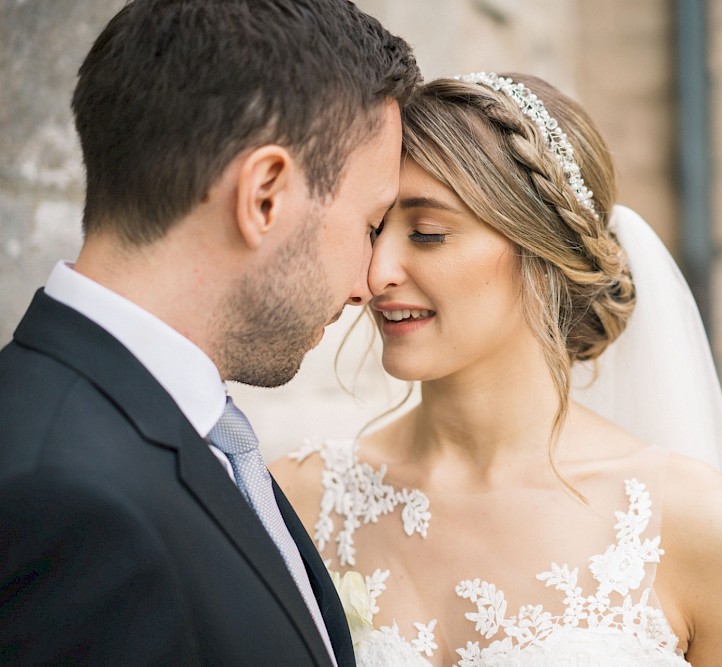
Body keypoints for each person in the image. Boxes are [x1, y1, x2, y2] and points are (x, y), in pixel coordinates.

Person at [272, 73, 722, 666]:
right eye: (373, 230)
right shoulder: (299, 500)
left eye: (428, 233)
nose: (375, 273)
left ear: (542, 251)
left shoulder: (704, 528)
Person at [0, 1, 420, 665]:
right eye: (370, 225)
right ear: (265, 197)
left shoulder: (197, 434)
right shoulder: (58, 496)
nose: (369, 283)